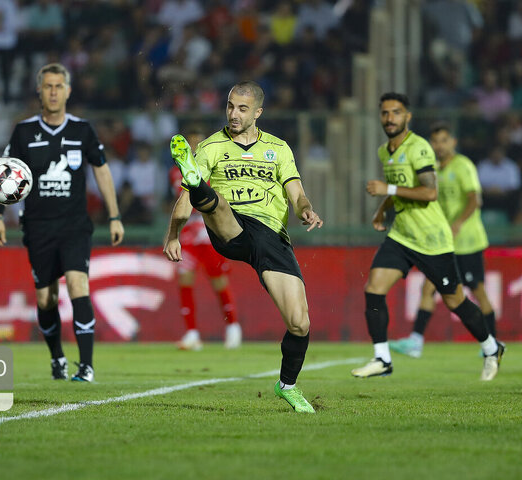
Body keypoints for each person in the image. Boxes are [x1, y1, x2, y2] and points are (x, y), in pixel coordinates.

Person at [164, 81, 323, 413]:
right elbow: (183, 203)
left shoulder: (278, 149)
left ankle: (288, 386)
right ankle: (197, 181)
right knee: (215, 201)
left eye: (242, 108)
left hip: (271, 236)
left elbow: (296, 192)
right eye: (230, 106)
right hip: (231, 228)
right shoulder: (210, 147)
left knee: (300, 322)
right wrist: (173, 235)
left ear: (258, 113)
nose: (233, 114)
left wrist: (305, 208)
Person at [352, 92, 504, 381]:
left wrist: (388, 192)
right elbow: (398, 186)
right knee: (374, 288)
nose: (390, 118)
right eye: (385, 113)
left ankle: (490, 346)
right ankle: (383, 358)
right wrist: (383, 210)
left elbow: (429, 192)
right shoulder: (385, 151)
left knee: (455, 301)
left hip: (432, 239)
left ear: (407, 117)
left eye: (396, 112)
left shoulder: (419, 147)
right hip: (402, 236)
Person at [0, 63, 124, 383]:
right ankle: (57, 358)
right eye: (47, 86)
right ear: (39, 91)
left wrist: (114, 215)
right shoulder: (24, 132)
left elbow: (101, 170)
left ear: (68, 90)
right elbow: (5, 175)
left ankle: (87, 366)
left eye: (58, 86)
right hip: (37, 226)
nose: (53, 92)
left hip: (75, 225)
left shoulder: (83, 130)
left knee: (79, 284)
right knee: (45, 298)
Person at [389, 123, 498, 358]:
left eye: (443, 140)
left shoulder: (463, 166)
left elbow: (474, 200)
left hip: (467, 242)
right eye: (435, 141)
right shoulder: (433, 168)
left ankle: (492, 341)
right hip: (443, 242)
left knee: (478, 292)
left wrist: (458, 223)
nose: (439, 146)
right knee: (428, 287)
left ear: (453, 142)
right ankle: (416, 341)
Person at [168, 125, 241, 351]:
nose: (194, 147)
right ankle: (191, 333)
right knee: (185, 280)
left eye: (198, 143)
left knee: (218, 281)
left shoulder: (216, 168)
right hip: (189, 233)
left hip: (210, 231)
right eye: (191, 143)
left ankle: (233, 327)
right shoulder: (176, 172)